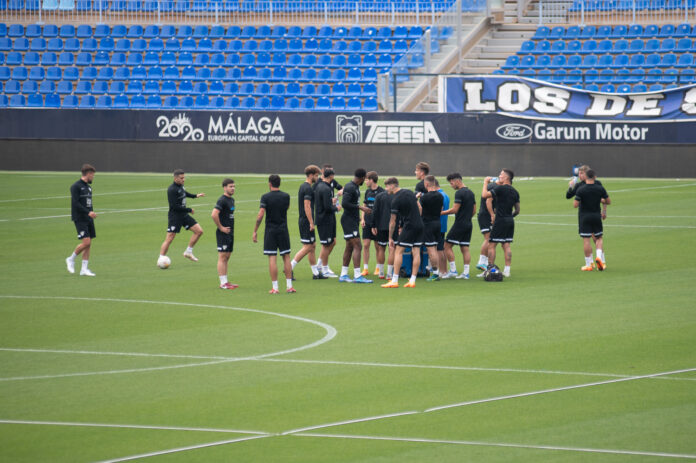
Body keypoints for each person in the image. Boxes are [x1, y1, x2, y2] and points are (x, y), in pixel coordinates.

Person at [253, 174, 294, 294]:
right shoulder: (286, 196)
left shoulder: (265, 197)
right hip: (283, 229)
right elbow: (287, 208)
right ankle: (289, 286)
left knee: (272, 258)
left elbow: (260, 215)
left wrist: (255, 230)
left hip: (270, 230)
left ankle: (275, 288)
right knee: (286, 256)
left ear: (269, 184)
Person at [381, 177, 424, 288]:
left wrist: (390, 237)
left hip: (409, 226)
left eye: (387, 186)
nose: (386, 189)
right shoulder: (409, 192)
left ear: (392, 185)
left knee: (398, 251)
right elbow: (419, 207)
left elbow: (392, 221)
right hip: (420, 225)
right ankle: (412, 281)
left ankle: (394, 280)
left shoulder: (395, 200)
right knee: (416, 251)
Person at [159, 169, 205, 264]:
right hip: (175, 216)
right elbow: (174, 206)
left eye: (184, 177)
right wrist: (189, 209)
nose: (183, 179)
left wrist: (195, 196)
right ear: (175, 178)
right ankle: (161, 258)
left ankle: (188, 252)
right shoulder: (172, 189)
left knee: (199, 231)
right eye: (181, 178)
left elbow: (184, 193)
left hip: (183, 215)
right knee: (170, 238)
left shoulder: (181, 186)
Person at [482, 169, 520, 278]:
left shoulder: (500, 188)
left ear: (506, 178)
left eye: (501, 175)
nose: (499, 176)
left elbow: (484, 195)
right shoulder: (515, 191)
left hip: (500, 220)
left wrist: (485, 182)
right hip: (510, 220)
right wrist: (509, 217)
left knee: (492, 245)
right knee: (506, 245)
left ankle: (490, 268)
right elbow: (517, 210)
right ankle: (507, 270)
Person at [290, 165, 326, 280]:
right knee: (308, 246)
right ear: (311, 175)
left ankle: (315, 273)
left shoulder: (304, 186)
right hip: (306, 221)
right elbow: (307, 206)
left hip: (304, 220)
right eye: (316, 175)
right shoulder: (308, 188)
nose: (317, 177)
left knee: (313, 245)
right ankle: (289, 268)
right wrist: (311, 222)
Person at [339, 169, 373, 283]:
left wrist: (358, 217)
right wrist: (361, 208)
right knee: (358, 246)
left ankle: (343, 274)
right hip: (348, 221)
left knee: (349, 246)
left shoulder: (355, 187)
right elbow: (345, 203)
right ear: (363, 178)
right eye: (366, 178)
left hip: (352, 220)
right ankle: (358, 276)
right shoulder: (350, 187)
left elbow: (351, 205)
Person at [441, 173, 476, 280]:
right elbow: (474, 210)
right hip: (468, 224)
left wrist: (441, 213)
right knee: (464, 248)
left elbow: (454, 209)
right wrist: (466, 217)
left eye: (451, 183)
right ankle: (466, 273)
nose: (451, 185)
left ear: (457, 181)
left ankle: (453, 270)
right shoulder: (470, 192)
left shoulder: (459, 193)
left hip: (459, 224)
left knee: (446, 246)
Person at [574, 169, 610, 271]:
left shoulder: (581, 189)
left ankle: (589, 264)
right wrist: (603, 206)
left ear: (586, 176)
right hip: (596, 216)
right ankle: (599, 258)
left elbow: (575, 205)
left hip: (584, 217)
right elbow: (608, 201)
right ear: (594, 177)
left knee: (586, 240)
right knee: (599, 238)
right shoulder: (599, 188)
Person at [66, 164, 97, 276]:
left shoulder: (88, 187)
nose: (93, 177)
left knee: (89, 244)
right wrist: (88, 212)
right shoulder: (76, 186)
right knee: (86, 242)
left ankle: (84, 269)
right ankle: (71, 258)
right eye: (92, 175)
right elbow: (75, 203)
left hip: (89, 218)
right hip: (80, 218)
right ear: (88, 174)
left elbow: (88, 203)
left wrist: (92, 213)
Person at [211, 178, 237, 290]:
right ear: (224, 187)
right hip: (223, 233)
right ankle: (222, 283)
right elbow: (214, 214)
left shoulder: (232, 200)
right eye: (230, 186)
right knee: (222, 257)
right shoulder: (222, 200)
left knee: (227, 256)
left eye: (234, 186)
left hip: (230, 233)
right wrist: (221, 227)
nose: (233, 188)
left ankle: (226, 281)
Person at [314, 168, 341, 278]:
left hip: (328, 219)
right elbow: (327, 207)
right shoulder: (325, 188)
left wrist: (331, 202)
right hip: (324, 220)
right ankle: (323, 269)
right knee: (326, 245)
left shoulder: (321, 187)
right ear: (331, 176)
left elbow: (324, 202)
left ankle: (321, 266)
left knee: (332, 242)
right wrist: (336, 208)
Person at [475, 177, 502, 275]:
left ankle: (485, 264)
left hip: (485, 215)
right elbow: (488, 201)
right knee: (489, 239)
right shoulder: (494, 187)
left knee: (490, 240)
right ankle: (482, 262)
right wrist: (492, 214)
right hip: (485, 216)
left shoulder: (493, 186)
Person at [419, 176, 444, 281]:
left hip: (427, 224)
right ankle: (437, 272)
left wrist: (416, 200)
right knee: (436, 248)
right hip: (437, 223)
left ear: (427, 184)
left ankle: (435, 273)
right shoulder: (440, 196)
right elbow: (441, 209)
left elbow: (420, 212)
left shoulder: (424, 198)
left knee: (431, 249)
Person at [360, 171, 384, 277]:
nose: (365, 181)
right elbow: (364, 205)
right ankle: (365, 268)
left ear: (371, 180)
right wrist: (362, 219)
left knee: (378, 246)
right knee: (365, 245)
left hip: (378, 223)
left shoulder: (382, 192)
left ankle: (378, 267)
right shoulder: (367, 191)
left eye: (366, 179)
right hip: (367, 222)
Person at [371, 186, 393, 279]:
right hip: (393, 226)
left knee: (381, 248)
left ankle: (381, 273)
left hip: (381, 226)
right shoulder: (396, 195)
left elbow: (374, 211)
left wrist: (373, 225)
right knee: (392, 249)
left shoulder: (379, 196)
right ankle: (389, 274)